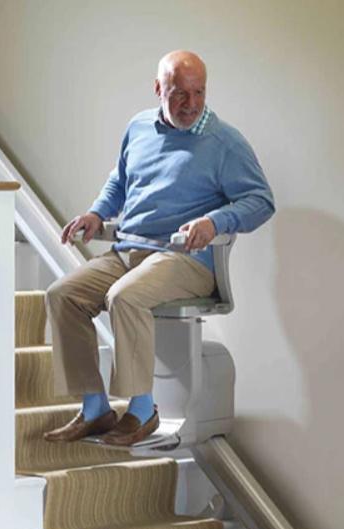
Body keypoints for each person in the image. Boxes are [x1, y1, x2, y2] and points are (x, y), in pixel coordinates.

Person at [43, 50, 275, 446]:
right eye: (179, 93)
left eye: (198, 92)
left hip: (185, 259)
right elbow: (119, 181)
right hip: (128, 250)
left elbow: (261, 201)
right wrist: (97, 214)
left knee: (125, 297)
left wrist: (214, 221)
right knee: (62, 295)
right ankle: (96, 408)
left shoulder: (224, 142)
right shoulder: (138, 128)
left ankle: (142, 409)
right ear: (158, 89)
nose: (191, 104)